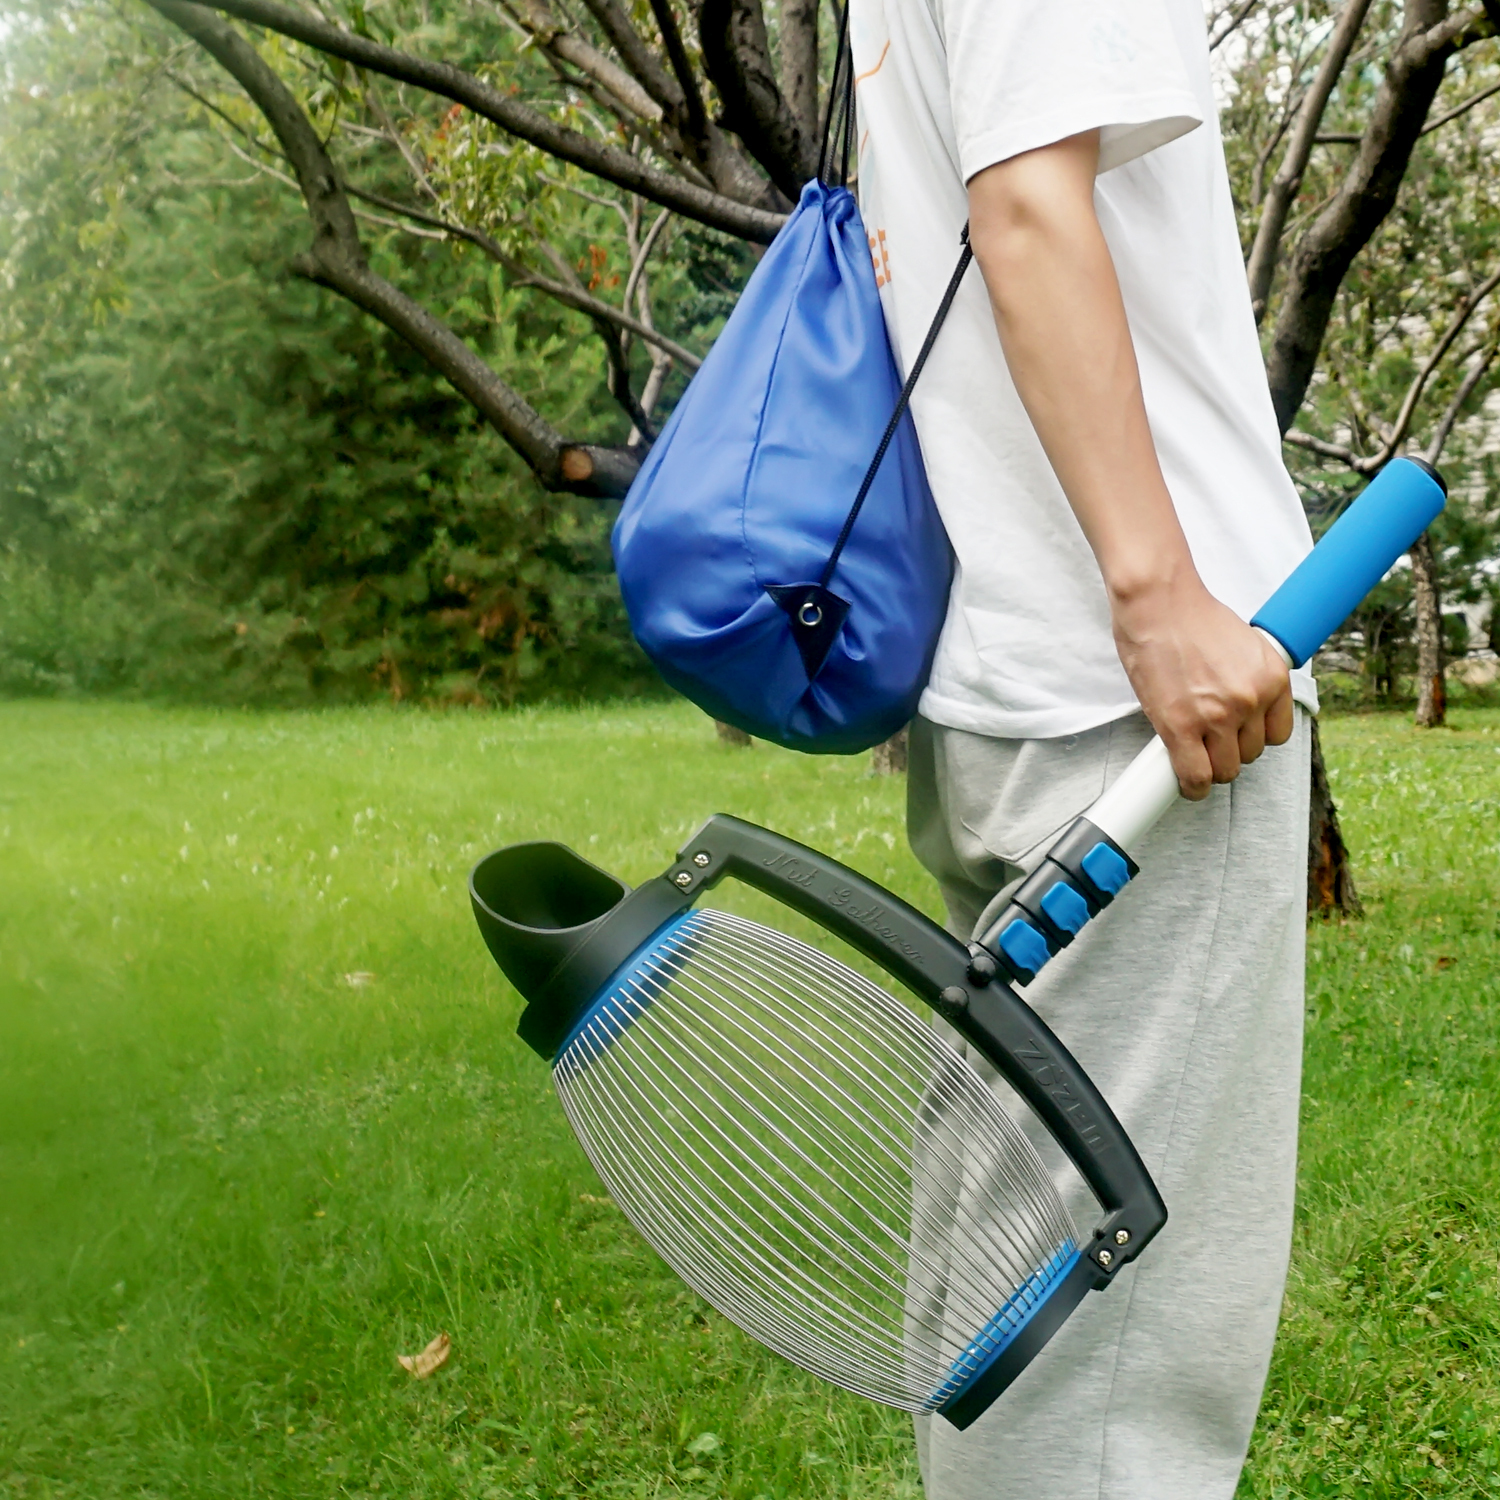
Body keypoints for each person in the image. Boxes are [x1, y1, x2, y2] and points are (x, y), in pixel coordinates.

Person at [848, 0, 1314, 1494]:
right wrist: (1159, 598)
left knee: (1018, 1283)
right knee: (1112, 1354)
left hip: (1018, 687)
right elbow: (1027, 210)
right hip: (1142, 713)